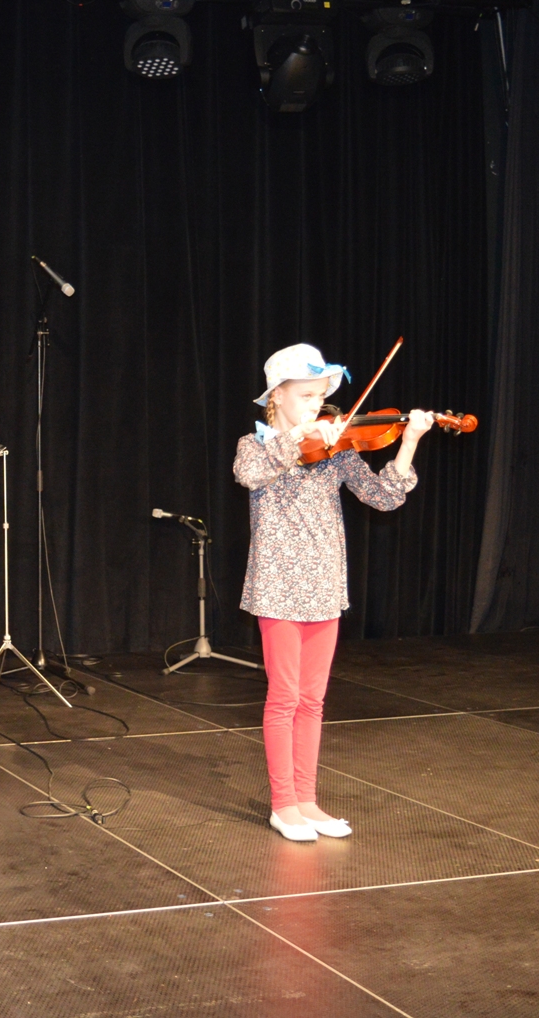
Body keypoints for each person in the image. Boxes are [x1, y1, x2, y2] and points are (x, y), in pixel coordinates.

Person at [233, 343, 434, 843]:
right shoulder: (255, 445)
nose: (316, 406)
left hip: (325, 584)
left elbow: (383, 497)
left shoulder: (336, 448)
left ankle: (307, 800)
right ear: (277, 397)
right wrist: (297, 437)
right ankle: (284, 806)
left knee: (313, 701)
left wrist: (409, 441)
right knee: (284, 698)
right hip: (278, 586)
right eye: (305, 396)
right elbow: (249, 475)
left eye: (319, 397)